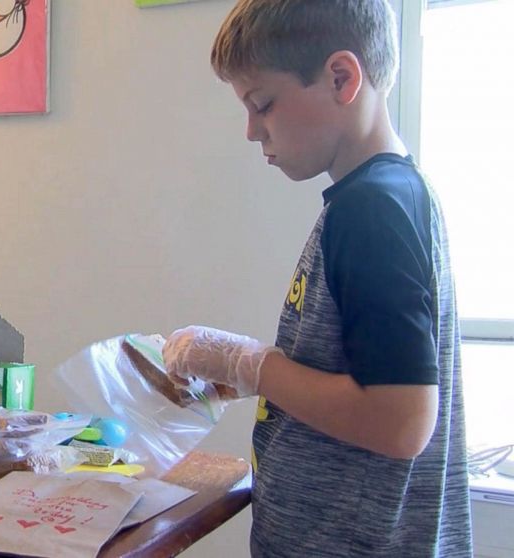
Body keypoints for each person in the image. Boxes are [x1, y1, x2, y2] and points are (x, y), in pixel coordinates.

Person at [160, 1, 472, 556]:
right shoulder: (389, 195)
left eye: (262, 104)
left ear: (341, 78)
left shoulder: (372, 209)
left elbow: (400, 421)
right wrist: (249, 375)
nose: (252, 130)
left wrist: (252, 363)